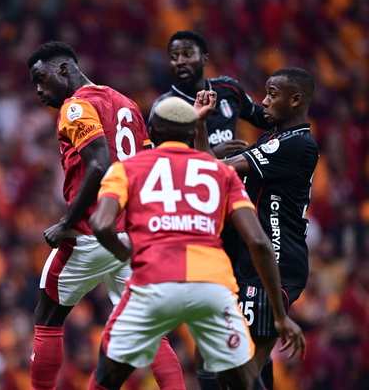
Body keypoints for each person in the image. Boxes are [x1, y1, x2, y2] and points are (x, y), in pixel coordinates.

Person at [88, 95, 306, 390]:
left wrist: (126, 253)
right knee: (244, 382)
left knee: (107, 377)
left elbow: (101, 224)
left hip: (154, 283)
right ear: (192, 132)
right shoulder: (221, 173)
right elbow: (258, 241)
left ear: (152, 132)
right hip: (213, 288)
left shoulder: (126, 169)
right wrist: (280, 316)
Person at [26, 41, 185, 390]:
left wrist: (66, 223)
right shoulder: (126, 103)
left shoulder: (75, 106)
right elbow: (147, 165)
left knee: (47, 318)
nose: (38, 90)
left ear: (63, 69)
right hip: (131, 231)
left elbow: (99, 164)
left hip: (91, 230)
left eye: (40, 79)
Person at [194, 67, 319, 389]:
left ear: (295, 99)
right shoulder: (273, 140)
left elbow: (215, 170)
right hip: (250, 262)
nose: (263, 101)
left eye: (272, 94)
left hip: (274, 262)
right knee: (229, 369)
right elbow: (212, 167)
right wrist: (200, 123)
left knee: (242, 373)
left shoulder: (296, 144)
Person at [150, 30, 272, 159]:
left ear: (204, 59)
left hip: (231, 170)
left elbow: (267, 120)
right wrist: (211, 153)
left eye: (187, 54)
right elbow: (159, 158)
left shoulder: (229, 89)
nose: (180, 61)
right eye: (174, 57)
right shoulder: (165, 106)